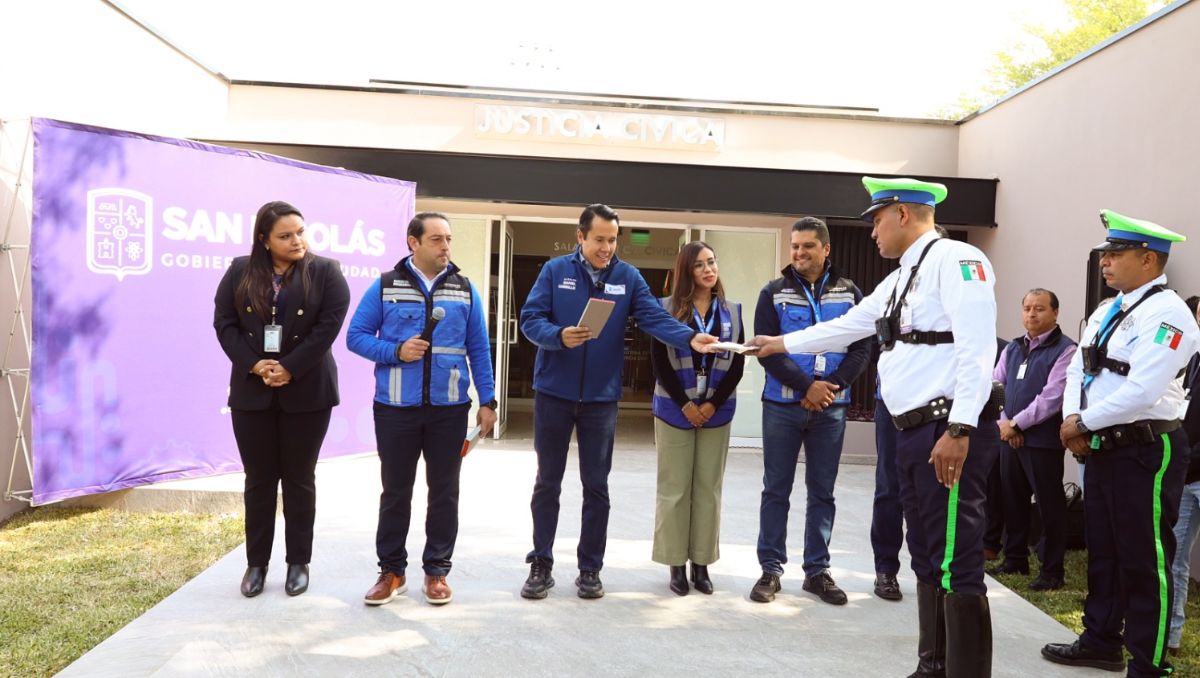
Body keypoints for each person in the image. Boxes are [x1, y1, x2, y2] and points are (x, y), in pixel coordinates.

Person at [750, 176, 999, 677]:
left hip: (944, 430)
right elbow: (851, 325)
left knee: (956, 560)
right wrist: (779, 344)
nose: (872, 233)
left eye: (877, 219)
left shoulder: (956, 261)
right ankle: (933, 667)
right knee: (927, 556)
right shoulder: (903, 274)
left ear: (903, 214)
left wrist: (961, 428)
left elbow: (977, 346)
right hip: (909, 432)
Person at [518, 203, 718, 600]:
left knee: (597, 487)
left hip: (600, 400)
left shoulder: (627, 277)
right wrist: (558, 336)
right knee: (547, 483)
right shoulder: (555, 271)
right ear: (580, 237)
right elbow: (529, 319)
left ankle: (590, 568)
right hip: (554, 394)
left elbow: (652, 318)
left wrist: (687, 337)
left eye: (612, 240)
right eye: (599, 240)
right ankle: (541, 562)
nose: (607, 247)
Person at [1042, 210, 1197, 677]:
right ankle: (1101, 639)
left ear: (1148, 259)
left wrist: (1080, 424)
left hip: (1145, 449)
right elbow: (1077, 368)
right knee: (1104, 549)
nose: (1105, 262)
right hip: (1102, 445)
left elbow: (1142, 392)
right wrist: (1074, 417)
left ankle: (1149, 661)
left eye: (1115, 254)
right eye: (1105, 253)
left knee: (1146, 556)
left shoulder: (1169, 315)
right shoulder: (1112, 308)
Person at [347, 212, 497, 607]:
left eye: (448, 239)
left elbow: (479, 349)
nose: (446, 246)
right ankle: (392, 571)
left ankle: (437, 572)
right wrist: (396, 351)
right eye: (436, 239)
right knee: (396, 492)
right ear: (413, 242)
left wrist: (488, 400)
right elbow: (356, 338)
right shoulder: (384, 286)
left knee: (444, 492)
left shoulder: (465, 289)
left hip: (449, 409)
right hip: (395, 409)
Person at [213, 200, 350, 598]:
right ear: (264, 239)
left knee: (298, 479)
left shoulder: (327, 272)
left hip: (307, 391)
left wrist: (289, 366)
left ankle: (297, 563)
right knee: (258, 481)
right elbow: (224, 324)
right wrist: (255, 365)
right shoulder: (240, 271)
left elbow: (327, 329)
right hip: (252, 392)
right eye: (285, 235)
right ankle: (256, 565)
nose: (297, 241)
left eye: (300, 232)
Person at [749, 217, 870, 606]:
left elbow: (862, 349)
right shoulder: (773, 293)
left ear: (826, 250)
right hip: (782, 407)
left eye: (807, 246)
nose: (799, 253)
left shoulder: (851, 293)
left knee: (823, 491)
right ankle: (770, 569)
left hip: (830, 409)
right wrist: (808, 387)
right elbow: (766, 353)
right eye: (794, 246)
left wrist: (829, 388)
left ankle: (817, 571)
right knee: (776, 490)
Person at [650, 241, 745, 596]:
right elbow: (659, 364)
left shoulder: (732, 312)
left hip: (716, 412)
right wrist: (686, 404)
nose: (709, 269)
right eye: (700, 264)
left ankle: (701, 564)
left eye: (712, 262)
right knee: (674, 489)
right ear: (687, 271)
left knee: (708, 489)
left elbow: (738, 364)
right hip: (675, 409)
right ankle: (676, 564)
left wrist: (711, 404)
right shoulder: (665, 310)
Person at [988, 289, 1075, 591]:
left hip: (1042, 442)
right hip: (1008, 438)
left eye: (1039, 308)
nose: (1031, 314)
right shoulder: (1012, 348)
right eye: (1027, 308)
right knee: (1012, 500)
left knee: (1050, 506)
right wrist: (1003, 424)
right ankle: (1015, 558)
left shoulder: (1066, 350)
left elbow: (1052, 397)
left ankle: (1052, 571)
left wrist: (1016, 424)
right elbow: (996, 385)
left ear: (1055, 313)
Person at [1167, 295, 1200, 657]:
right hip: (1186, 475)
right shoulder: (1188, 359)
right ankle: (1171, 637)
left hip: (1192, 467)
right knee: (1174, 559)